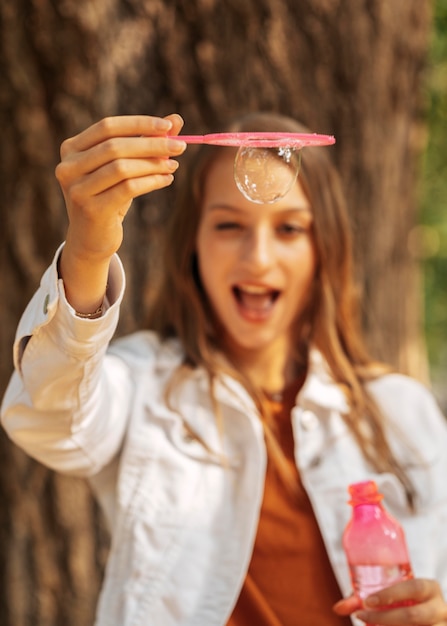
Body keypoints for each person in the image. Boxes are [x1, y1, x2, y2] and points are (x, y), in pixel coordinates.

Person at [1, 110, 447, 626]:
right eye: (229, 225)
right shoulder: (141, 381)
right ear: (192, 243)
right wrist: (87, 251)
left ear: (324, 249)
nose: (258, 259)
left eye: (289, 229)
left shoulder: (402, 412)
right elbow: (48, 416)